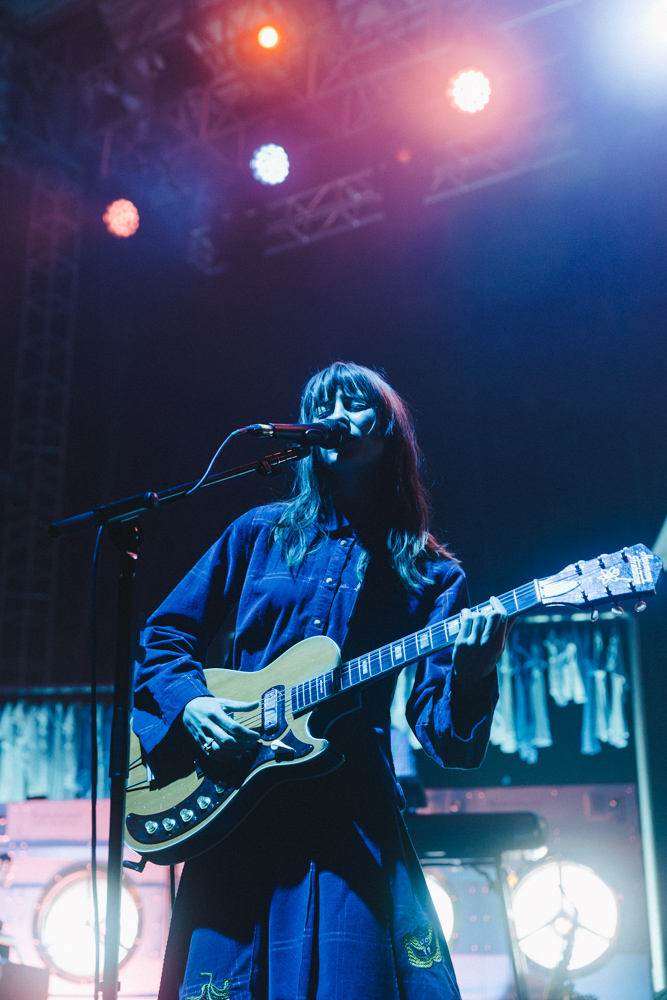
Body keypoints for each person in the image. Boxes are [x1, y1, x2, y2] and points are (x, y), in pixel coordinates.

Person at [134, 361, 509, 1000]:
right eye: (323, 404)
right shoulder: (259, 533)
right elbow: (164, 637)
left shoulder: (429, 574)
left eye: (355, 403)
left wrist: (474, 669)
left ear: (390, 429)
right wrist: (193, 704)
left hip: (349, 811)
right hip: (237, 796)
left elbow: (447, 739)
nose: (336, 415)